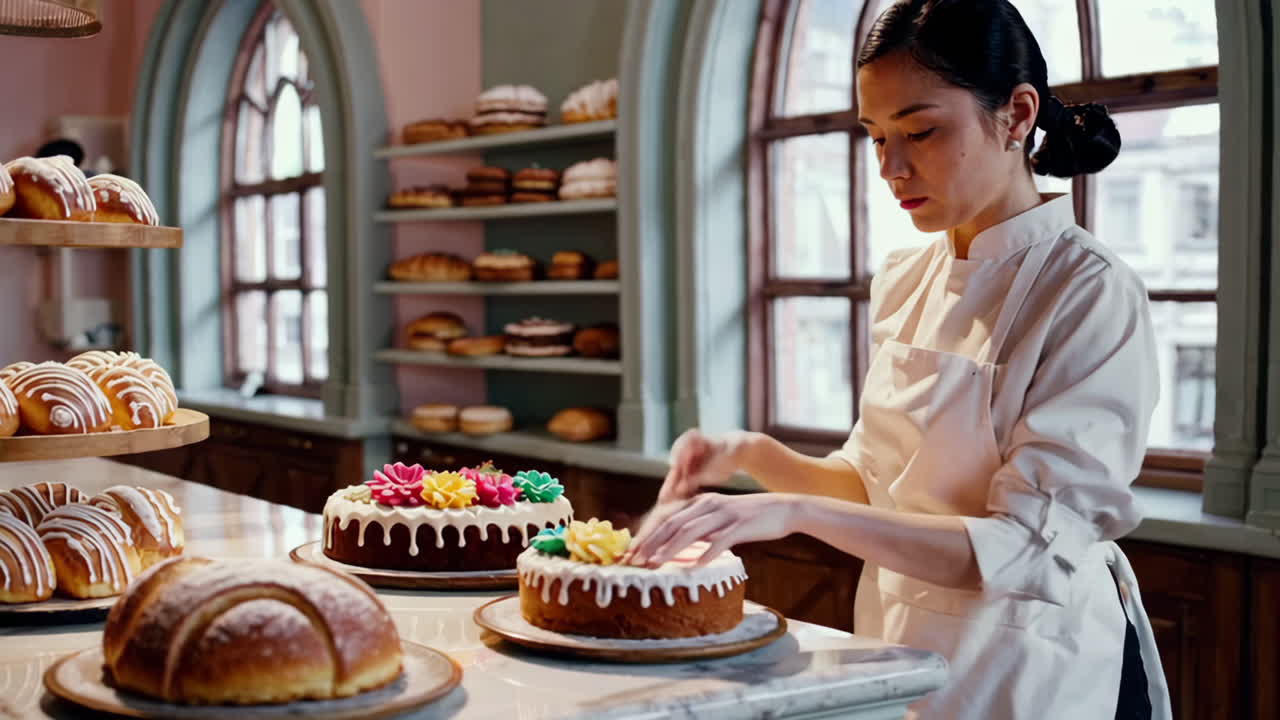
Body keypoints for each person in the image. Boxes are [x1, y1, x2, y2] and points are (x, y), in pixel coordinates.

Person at [625, 1, 1171, 718]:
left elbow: (1023, 548)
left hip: (1030, 667)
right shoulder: (905, 278)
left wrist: (789, 511)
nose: (891, 167)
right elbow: (873, 485)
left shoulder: (1087, 292)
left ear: (1016, 113)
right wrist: (750, 455)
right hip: (899, 650)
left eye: (921, 131)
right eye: (876, 137)